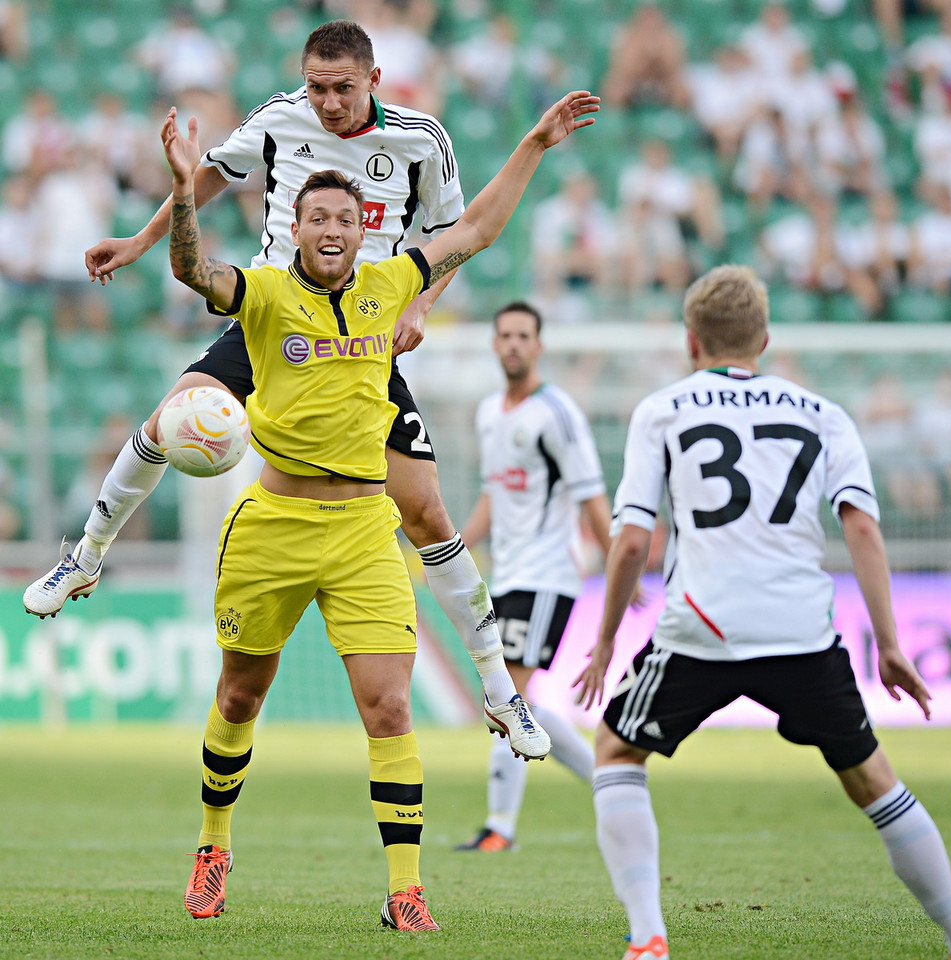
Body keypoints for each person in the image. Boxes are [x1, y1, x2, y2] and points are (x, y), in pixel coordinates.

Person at [23, 19, 549, 761]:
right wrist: (141, 242)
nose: (328, 103)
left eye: (342, 88)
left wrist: (421, 304)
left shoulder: (420, 141)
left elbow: (458, 231)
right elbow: (205, 176)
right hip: (275, 317)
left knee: (427, 511)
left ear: (372, 80)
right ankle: (86, 554)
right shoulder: (279, 121)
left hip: (364, 330)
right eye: (317, 87)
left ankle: (502, 691)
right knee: (169, 419)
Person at [161, 85, 599, 924]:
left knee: (390, 706)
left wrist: (534, 144)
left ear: (364, 226)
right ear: (295, 225)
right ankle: (214, 844)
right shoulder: (257, 295)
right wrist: (185, 194)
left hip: (365, 530)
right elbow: (191, 269)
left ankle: (407, 893)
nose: (330, 230)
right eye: (316, 218)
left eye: (344, 219)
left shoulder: (390, 283)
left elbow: (472, 231)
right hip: (273, 528)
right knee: (240, 698)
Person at [573, 264, 951, 960]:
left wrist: (604, 641)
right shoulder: (823, 413)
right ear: (766, 339)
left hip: (701, 628)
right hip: (800, 630)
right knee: (874, 781)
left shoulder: (662, 409)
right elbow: (863, 529)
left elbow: (633, 538)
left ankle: (647, 935)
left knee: (616, 749)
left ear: (692, 342)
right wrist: (891, 643)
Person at [454, 301, 638, 852]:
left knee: (508, 693)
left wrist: (616, 566)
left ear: (539, 346)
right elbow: (493, 492)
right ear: (495, 343)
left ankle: (499, 828)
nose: (512, 344)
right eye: (504, 334)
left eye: (523, 335)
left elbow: (589, 495)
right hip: (506, 574)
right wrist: (453, 552)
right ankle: (610, 776)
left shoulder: (556, 413)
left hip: (548, 572)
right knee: (515, 699)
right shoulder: (491, 412)